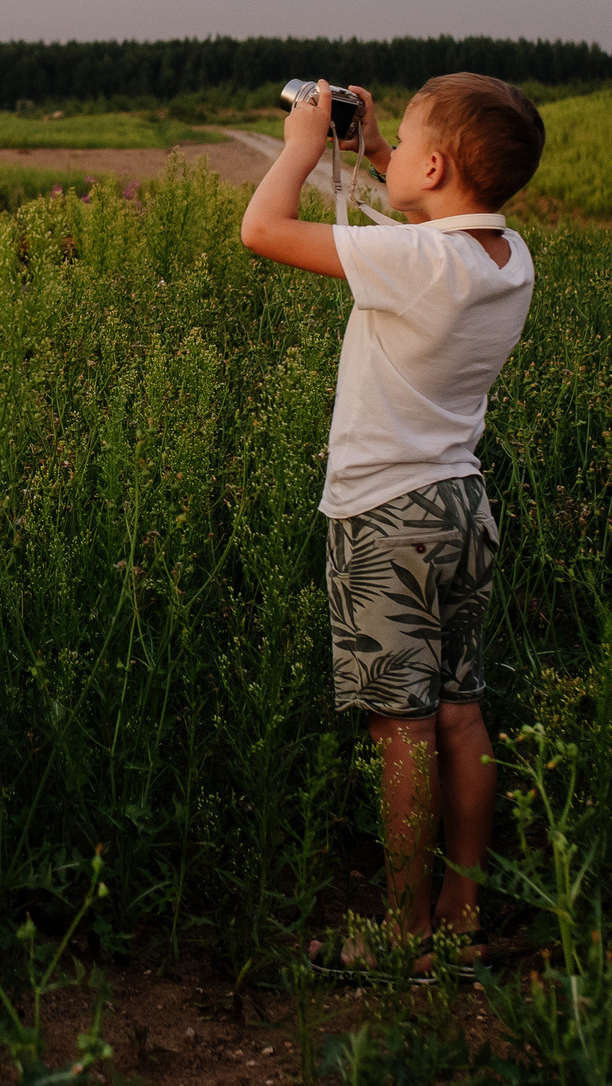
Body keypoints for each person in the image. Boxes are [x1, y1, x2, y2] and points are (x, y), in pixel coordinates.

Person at [238, 72, 546, 975]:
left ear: (440, 164)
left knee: (398, 726)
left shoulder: (417, 263)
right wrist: (376, 149)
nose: (393, 152)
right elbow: (438, 218)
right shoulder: (506, 257)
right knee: (459, 713)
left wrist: (302, 143)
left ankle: (401, 934)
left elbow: (261, 229)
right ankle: (462, 912)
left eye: (406, 141)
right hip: (460, 506)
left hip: (384, 517)